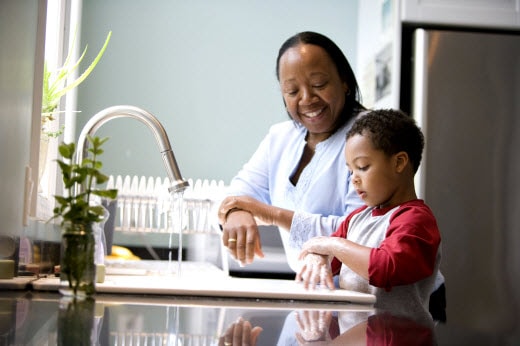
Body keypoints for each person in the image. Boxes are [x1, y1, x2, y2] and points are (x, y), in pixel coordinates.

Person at [218, 31, 366, 271]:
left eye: (319, 84)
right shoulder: (281, 137)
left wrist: (271, 215)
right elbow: (240, 189)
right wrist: (236, 212)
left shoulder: (369, 136)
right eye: (293, 91)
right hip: (318, 292)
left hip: (381, 297)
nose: (307, 99)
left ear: (345, 81)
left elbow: (359, 230)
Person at [296, 109, 442, 324]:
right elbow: (325, 256)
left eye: (362, 167)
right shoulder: (356, 219)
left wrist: (332, 245)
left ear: (399, 162)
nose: (353, 179)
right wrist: (317, 257)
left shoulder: (415, 220)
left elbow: (386, 268)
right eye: (350, 170)